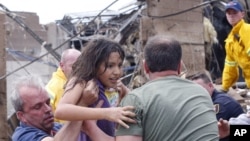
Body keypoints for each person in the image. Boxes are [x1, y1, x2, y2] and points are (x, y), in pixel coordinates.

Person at [83, 35, 219, 141]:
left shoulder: (136, 99)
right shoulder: (202, 92)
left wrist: (90, 127)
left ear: (145, 66)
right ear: (179, 66)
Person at [54, 37, 135, 140]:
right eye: (110, 66)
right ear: (95, 65)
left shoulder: (104, 87)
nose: (117, 72)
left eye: (119, 66)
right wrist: (107, 113)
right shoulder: (83, 80)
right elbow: (61, 110)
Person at [11, 75, 135, 141]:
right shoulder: (23, 136)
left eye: (48, 102)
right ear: (21, 116)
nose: (48, 109)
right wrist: (83, 104)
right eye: (37, 107)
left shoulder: (57, 128)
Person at [191, 71, 245, 141]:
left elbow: (210, 131)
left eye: (199, 89)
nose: (196, 93)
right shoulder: (212, 99)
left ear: (210, 86)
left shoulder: (220, 104)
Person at [46, 48, 81, 123]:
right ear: (62, 65)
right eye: (73, 66)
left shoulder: (71, 81)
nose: (78, 69)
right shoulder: (58, 87)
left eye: (81, 65)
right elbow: (65, 120)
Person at [221, 0, 250, 92]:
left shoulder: (247, 30)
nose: (231, 16)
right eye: (229, 13)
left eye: (234, 12)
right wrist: (224, 88)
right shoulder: (230, 40)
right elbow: (230, 67)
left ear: (242, 14)